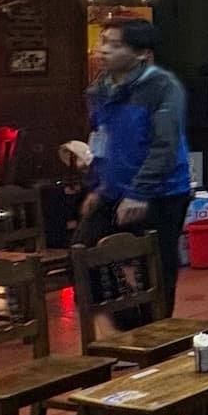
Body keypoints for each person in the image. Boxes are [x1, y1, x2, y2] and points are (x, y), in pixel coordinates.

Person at [76, 18, 193, 320]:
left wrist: (139, 193)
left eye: (115, 45)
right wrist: (98, 187)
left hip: (162, 193)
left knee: (155, 271)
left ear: (141, 53)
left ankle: (156, 340)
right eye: (103, 42)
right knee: (82, 257)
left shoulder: (163, 87)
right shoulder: (98, 90)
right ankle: (130, 326)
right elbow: (101, 141)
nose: (103, 51)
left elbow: (164, 147)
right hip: (113, 192)